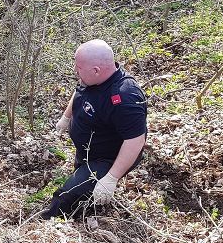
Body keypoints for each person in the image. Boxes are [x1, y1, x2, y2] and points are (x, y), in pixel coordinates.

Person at [42, 40, 147, 219]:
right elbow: (79, 92)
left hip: (107, 158)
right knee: (82, 183)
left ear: (96, 70)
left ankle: (48, 220)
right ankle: (90, 201)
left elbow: (136, 140)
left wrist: (111, 178)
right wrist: (66, 118)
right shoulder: (91, 78)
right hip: (89, 149)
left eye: (78, 67)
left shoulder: (124, 97)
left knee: (66, 197)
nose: (76, 71)